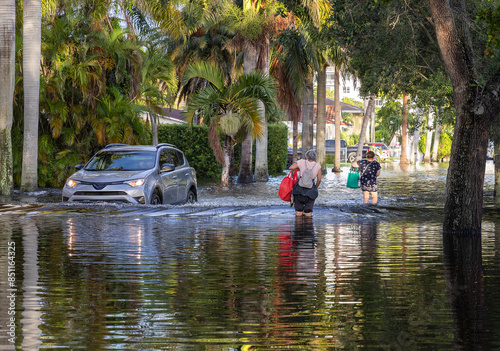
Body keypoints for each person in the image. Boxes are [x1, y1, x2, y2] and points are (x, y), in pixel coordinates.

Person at [289, 149, 322, 217]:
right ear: (315, 158)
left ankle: (298, 226)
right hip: (310, 191)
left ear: (306, 157)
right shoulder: (318, 165)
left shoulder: (302, 162)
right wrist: (315, 187)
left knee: (298, 212)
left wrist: (299, 169)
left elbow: (291, 167)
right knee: (308, 213)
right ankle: (308, 226)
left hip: (299, 190)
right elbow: (319, 180)